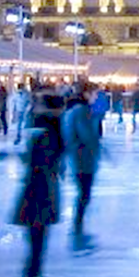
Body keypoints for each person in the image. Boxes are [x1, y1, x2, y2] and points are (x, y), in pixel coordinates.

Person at [12, 91, 65, 277]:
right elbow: (39, 166)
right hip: (36, 200)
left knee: (38, 249)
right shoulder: (44, 132)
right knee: (35, 250)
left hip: (41, 197)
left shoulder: (44, 130)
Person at [62, 82, 101, 254]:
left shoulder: (75, 110)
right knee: (84, 195)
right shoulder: (82, 111)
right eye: (94, 94)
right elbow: (87, 136)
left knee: (83, 195)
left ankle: (78, 229)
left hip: (79, 159)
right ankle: (77, 230)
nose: (96, 97)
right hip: (82, 160)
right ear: (86, 94)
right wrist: (96, 148)